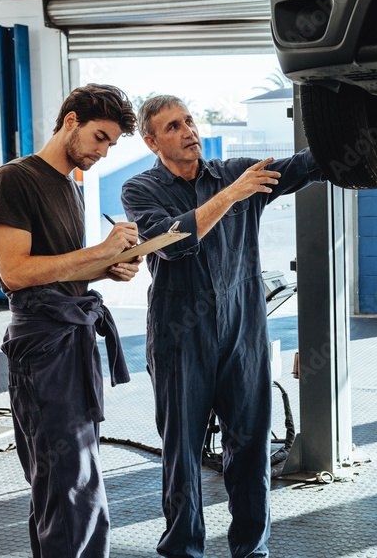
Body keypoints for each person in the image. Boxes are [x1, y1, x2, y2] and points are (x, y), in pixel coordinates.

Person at [120, 95, 324, 557]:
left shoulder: (236, 170)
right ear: (152, 140)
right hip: (179, 336)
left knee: (251, 451)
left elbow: (305, 166)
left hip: (242, 333)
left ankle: (252, 551)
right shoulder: (140, 190)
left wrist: (367, 136)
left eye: (189, 120)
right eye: (173, 126)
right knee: (182, 456)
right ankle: (183, 550)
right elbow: (172, 242)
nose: (188, 130)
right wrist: (233, 194)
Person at [0, 83, 142, 557]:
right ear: (70, 120)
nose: (103, 150)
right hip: (42, 346)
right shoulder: (14, 180)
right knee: (62, 482)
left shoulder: (70, 187)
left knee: (82, 478)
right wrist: (98, 252)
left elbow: (65, 266)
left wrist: (110, 268)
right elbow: (14, 273)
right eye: (100, 137)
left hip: (74, 341)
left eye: (111, 144)